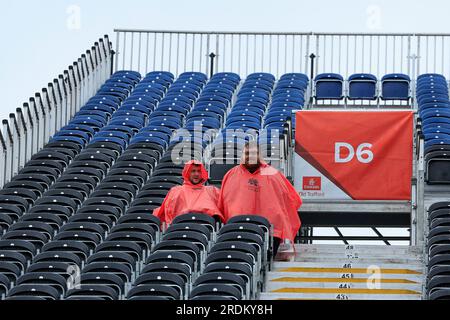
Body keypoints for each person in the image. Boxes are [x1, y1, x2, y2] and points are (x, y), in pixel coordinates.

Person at [218, 141, 302, 256]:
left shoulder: (273, 173)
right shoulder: (231, 175)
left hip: (270, 231)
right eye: (247, 153)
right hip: (238, 229)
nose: (250, 156)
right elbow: (222, 203)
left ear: (259, 155)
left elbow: (292, 199)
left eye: (254, 153)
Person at [154, 160, 224, 225]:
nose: (196, 174)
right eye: (193, 171)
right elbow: (168, 213)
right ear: (187, 173)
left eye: (199, 171)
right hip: (181, 226)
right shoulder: (176, 191)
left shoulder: (212, 191)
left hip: (206, 228)